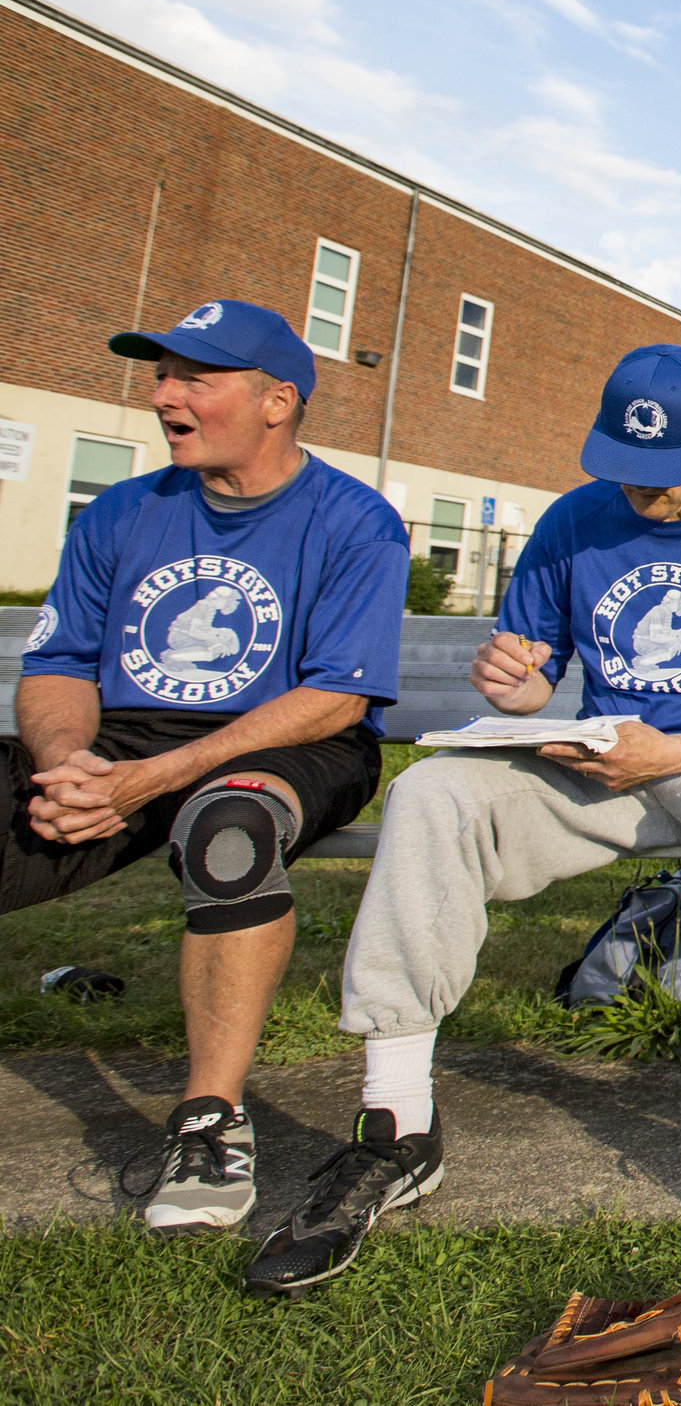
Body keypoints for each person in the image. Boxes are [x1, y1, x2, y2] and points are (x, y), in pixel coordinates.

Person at [248, 345, 681, 1296]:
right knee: (432, 793)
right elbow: (535, 672)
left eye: (665, 475)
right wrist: (517, 684)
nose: (642, 494)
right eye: (626, 469)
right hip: (606, 762)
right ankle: (398, 1120)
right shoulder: (576, 520)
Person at [5, 300, 407, 1234]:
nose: (163, 395)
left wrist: (156, 778)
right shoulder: (121, 512)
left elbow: (337, 699)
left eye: (194, 377)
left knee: (230, 827)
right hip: (125, 740)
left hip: (291, 740)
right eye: (162, 375)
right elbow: (60, 664)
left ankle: (211, 1122)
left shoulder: (355, 522)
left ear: (277, 401)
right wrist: (70, 766)